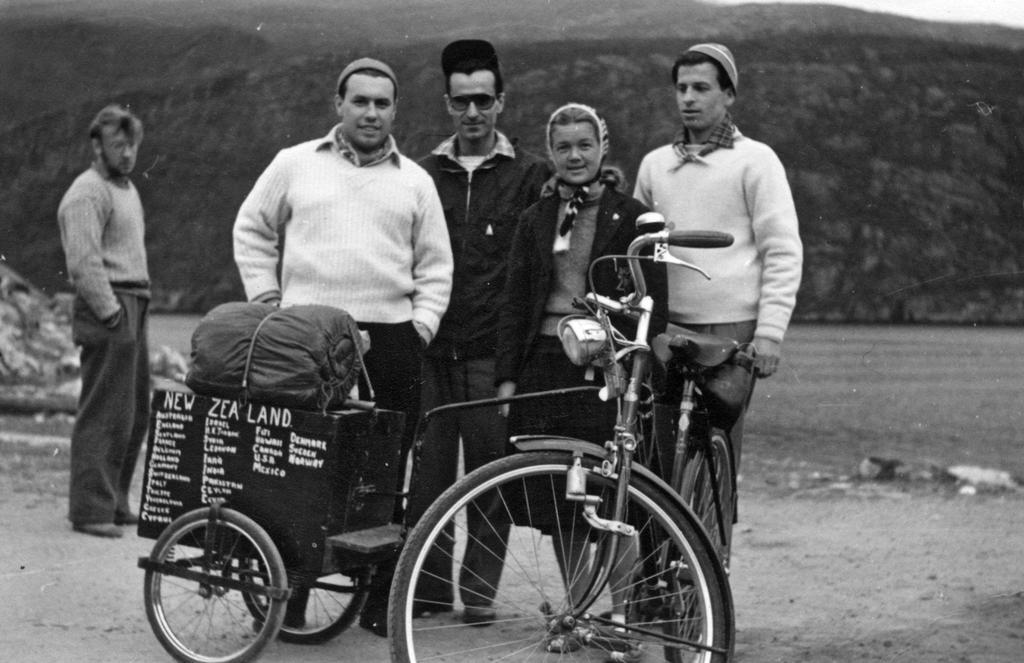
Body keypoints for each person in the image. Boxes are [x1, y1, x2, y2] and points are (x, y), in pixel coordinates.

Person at [232, 57, 453, 636]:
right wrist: (268, 302)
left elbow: (436, 267)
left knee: (386, 474)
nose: (371, 113)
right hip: (308, 341)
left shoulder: (415, 181)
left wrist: (419, 328)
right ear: (339, 104)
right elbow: (252, 227)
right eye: (360, 101)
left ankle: (381, 600)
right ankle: (296, 597)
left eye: (383, 103)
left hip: (389, 343)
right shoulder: (295, 164)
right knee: (307, 471)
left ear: (395, 110)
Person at [495, 103, 667, 654]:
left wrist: (620, 354)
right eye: (563, 146)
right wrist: (506, 382)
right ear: (551, 152)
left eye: (584, 145)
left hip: (605, 367)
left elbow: (654, 306)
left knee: (611, 498)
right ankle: (581, 616)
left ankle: (622, 618)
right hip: (544, 367)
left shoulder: (637, 217)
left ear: (603, 147)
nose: (574, 156)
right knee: (560, 504)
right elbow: (515, 303)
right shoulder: (534, 219)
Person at [406, 39, 551, 627]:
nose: (473, 113)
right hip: (432, 350)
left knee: (490, 478)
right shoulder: (419, 175)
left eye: (483, 100)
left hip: (494, 353)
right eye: (462, 101)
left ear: (500, 102)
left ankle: (480, 598)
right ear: (447, 103)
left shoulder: (530, 175)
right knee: (431, 478)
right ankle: (431, 590)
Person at [633, 43, 802, 497]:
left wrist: (769, 334)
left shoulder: (756, 161)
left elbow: (782, 250)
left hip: (732, 330)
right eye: (682, 88)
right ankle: (662, 562)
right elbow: (642, 252)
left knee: (715, 457)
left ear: (728, 95)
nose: (688, 97)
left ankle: (708, 566)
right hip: (668, 327)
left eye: (702, 88)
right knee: (659, 454)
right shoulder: (655, 165)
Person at [58, 104, 150, 539]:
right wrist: (111, 311)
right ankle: (90, 509)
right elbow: (82, 261)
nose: (128, 154)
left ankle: (115, 502)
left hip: (135, 300)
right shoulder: (87, 192)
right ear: (97, 145)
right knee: (104, 409)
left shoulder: (125, 189)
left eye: (133, 145)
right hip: (110, 305)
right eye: (119, 145)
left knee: (133, 411)